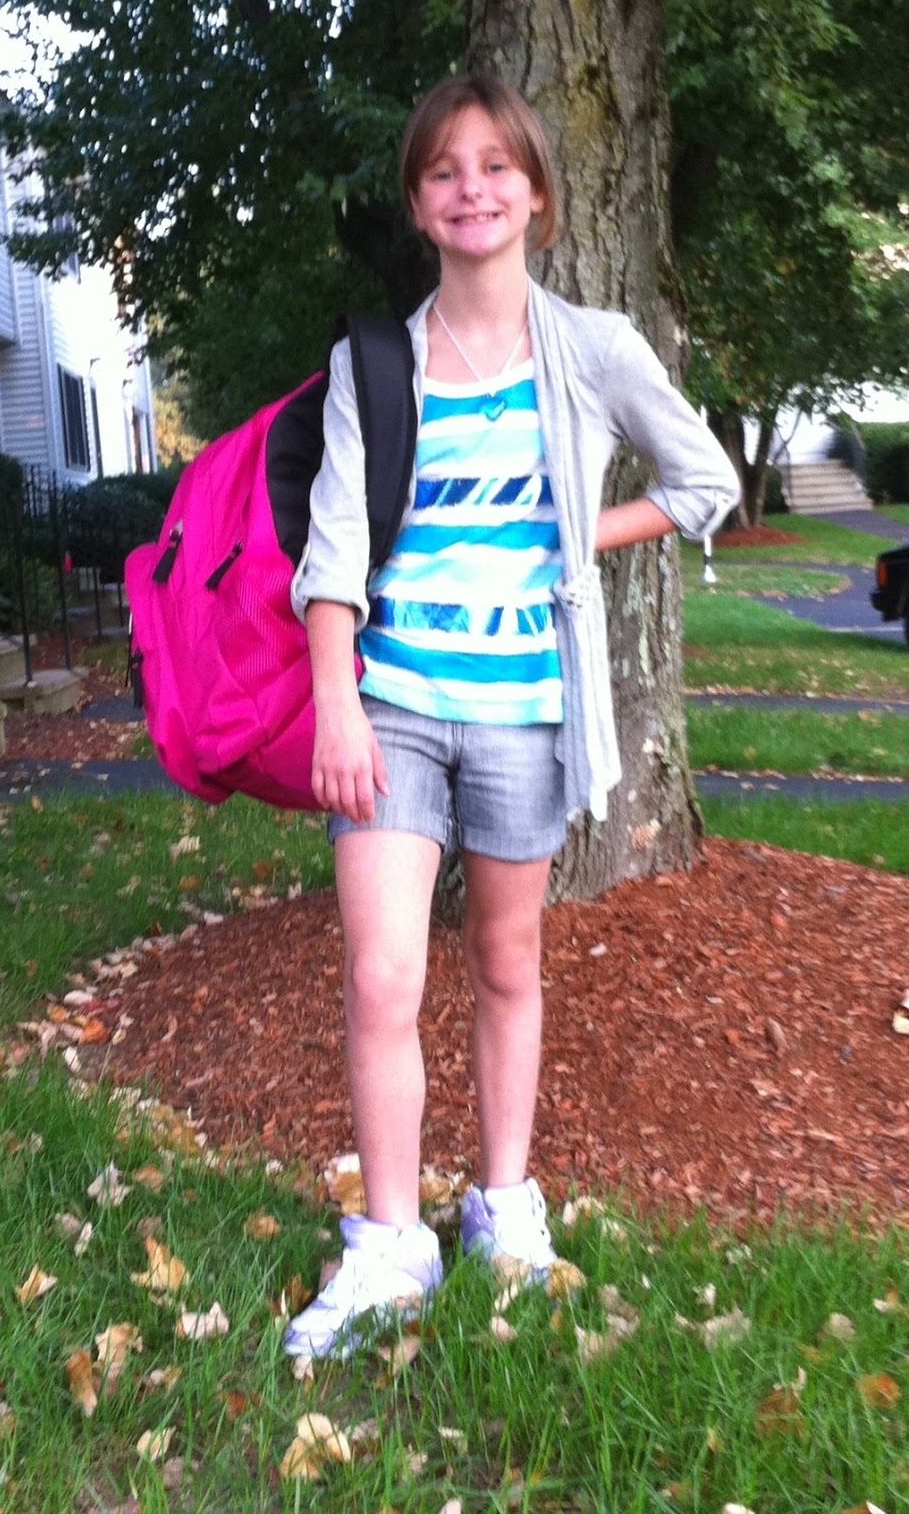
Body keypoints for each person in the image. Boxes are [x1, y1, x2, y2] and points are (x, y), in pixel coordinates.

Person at [284, 72, 740, 1358]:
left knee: (503, 962)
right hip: (394, 706)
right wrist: (336, 706)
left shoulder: (594, 348)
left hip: (527, 713)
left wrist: (573, 538)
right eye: (443, 169)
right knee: (382, 973)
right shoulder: (373, 364)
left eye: (495, 166)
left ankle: (502, 1205)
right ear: (417, 202)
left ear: (536, 192)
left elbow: (702, 480)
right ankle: (390, 1247)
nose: (471, 187)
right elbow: (332, 555)